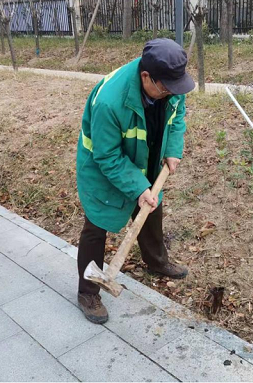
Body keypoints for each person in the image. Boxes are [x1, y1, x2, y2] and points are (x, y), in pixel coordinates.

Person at [76, 38, 195, 324]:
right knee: (97, 226)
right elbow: (107, 156)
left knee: (151, 210)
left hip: (148, 158)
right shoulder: (110, 101)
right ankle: (87, 292)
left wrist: (172, 150)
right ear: (146, 77)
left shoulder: (170, 83)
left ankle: (156, 261)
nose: (171, 93)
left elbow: (177, 117)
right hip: (103, 170)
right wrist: (138, 186)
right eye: (165, 88)